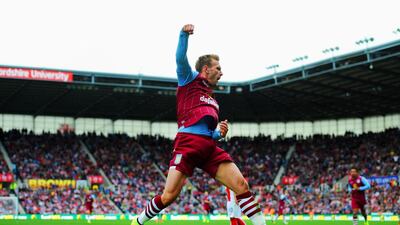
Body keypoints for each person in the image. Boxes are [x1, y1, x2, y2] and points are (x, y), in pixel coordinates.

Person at [133, 24, 265, 225]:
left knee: (241, 184)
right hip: (187, 144)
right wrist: (183, 35)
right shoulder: (188, 80)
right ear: (206, 69)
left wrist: (218, 133)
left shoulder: (213, 100)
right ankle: (139, 221)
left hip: (209, 148)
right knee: (168, 196)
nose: (222, 73)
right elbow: (180, 59)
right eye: (218, 68)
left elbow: (208, 132)